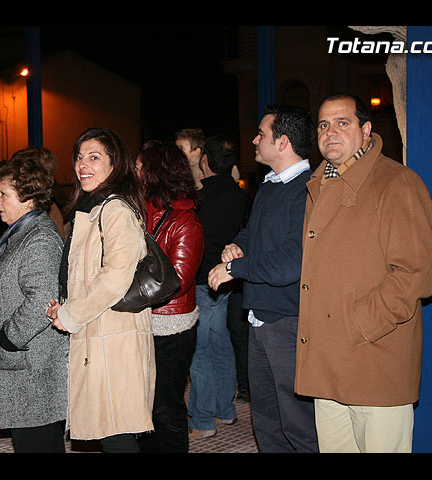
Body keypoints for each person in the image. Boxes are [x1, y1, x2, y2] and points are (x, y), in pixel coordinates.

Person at [294, 93, 432, 453]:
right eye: (324, 125)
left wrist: (359, 323)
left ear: (366, 129)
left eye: (343, 123)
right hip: (327, 363)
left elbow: (417, 273)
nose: (331, 132)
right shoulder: (320, 183)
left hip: (374, 359)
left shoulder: (396, 183)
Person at [208, 105, 318, 452]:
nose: (254, 140)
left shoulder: (309, 190)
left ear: (283, 142)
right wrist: (237, 246)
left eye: (261, 134)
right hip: (261, 317)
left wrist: (234, 269)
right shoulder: (271, 185)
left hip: (288, 322)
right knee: (267, 422)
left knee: (298, 425)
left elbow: (292, 260)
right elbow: (252, 232)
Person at [46, 127, 154, 453]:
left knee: (116, 432)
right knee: (110, 431)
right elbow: (83, 274)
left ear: (115, 164)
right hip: (99, 333)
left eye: (94, 157)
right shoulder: (93, 209)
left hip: (114, 337)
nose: (83, 164)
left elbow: (115, 277)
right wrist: (63, 307)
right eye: (79, 157)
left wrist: (72, 314)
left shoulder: (115, 210)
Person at [0, 150, 68, 453]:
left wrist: (8, 338)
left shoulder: (38, 237)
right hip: (23, 366)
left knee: (37, 443)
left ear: (27, 197)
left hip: (32, 366)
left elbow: (42, 296)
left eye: (3, 194)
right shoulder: (20, 233)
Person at [134, 140, 204, 453]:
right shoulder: (137, 211)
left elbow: (176, 280)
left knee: (165, 406)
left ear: (155, 172)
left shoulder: (185, 220)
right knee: (142, 405)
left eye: (139, 168)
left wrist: (125, 289)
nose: (134, 172)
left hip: (171, 326)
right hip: (141, 320)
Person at [187, 134, 246, 439]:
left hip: (201, 282)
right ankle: (225, 410)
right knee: (220, 344)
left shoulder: (199, 199)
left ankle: (202, 419)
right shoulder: (239, 196)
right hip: (227, 280)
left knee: (201, 351)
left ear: (204, 161)